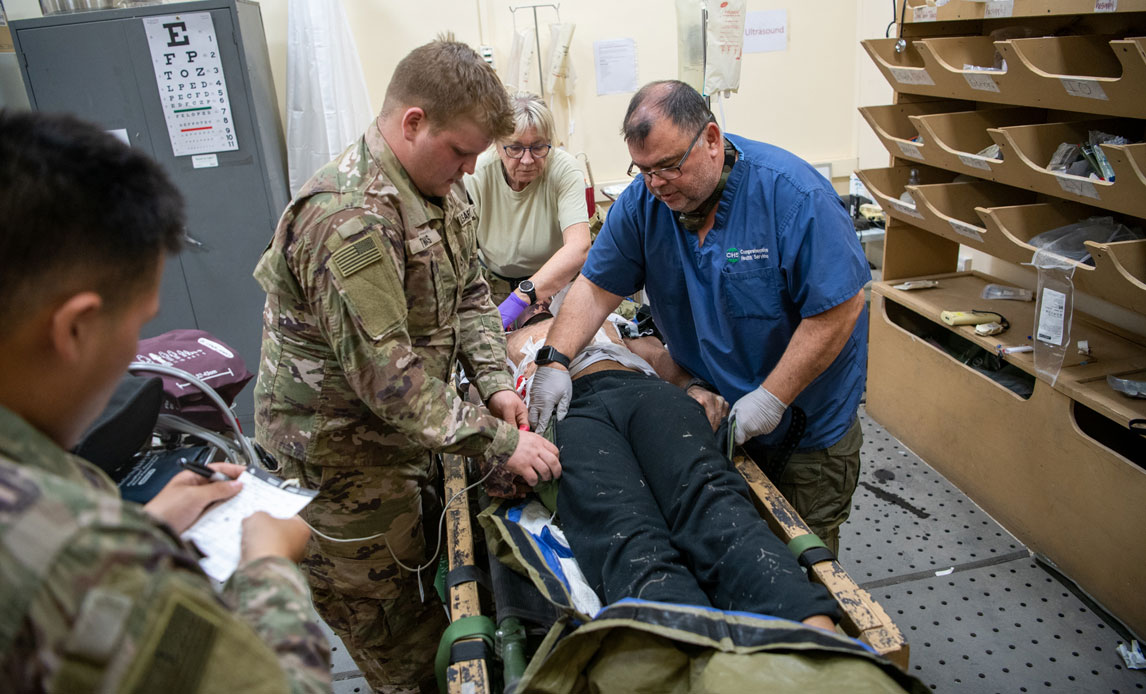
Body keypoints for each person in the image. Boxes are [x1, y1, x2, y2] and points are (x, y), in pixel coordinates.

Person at [253, 36, 561, 692]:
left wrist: (497, 385)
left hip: (403, 446)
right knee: (405, 651)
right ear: (413, 122)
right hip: (342, 472)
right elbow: (389, 382)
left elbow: (473, 295)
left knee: (434, 597)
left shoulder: (439, 187)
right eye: (461, 152)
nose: (469, 167)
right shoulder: (348, 218)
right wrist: (505, 441)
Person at [0, 110, 330, 692]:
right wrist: (270, 568)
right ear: (75, 329)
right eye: (140, 322)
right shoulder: (83, 550)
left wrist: (147, 526)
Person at [528, 80, 869, 556]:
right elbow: (596, 286)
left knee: (801, 560)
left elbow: (839, 309)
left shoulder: (792, 197)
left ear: (711, 139)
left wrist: (771, 400)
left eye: (668, 166)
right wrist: (553, 360)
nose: (656, 184)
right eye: (643, 170)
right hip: (713, 413)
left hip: (804, 432)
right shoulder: (645, 203)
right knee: (728, 543)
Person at [507, 308, 838, 630]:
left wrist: (691, 387)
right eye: (530, 300)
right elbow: (491, 402)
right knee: (621, 526)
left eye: (543, 296)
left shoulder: (605, 314)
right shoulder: (499, 341)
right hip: (566, 415)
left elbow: (655, 356)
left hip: (643, 391)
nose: (540, 301)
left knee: (711, 500)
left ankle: (815, 639)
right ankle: (687, 656)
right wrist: (504, 450)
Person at [464, 92, 591, 329]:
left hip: (557, 282)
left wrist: (520, 299)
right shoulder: (478, 175)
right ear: (497, 146)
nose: (527, 160)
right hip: (496, 286)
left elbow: (579, 247)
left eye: (538, 147)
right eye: (515, 148)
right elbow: (461, 254)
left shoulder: (564, 171)